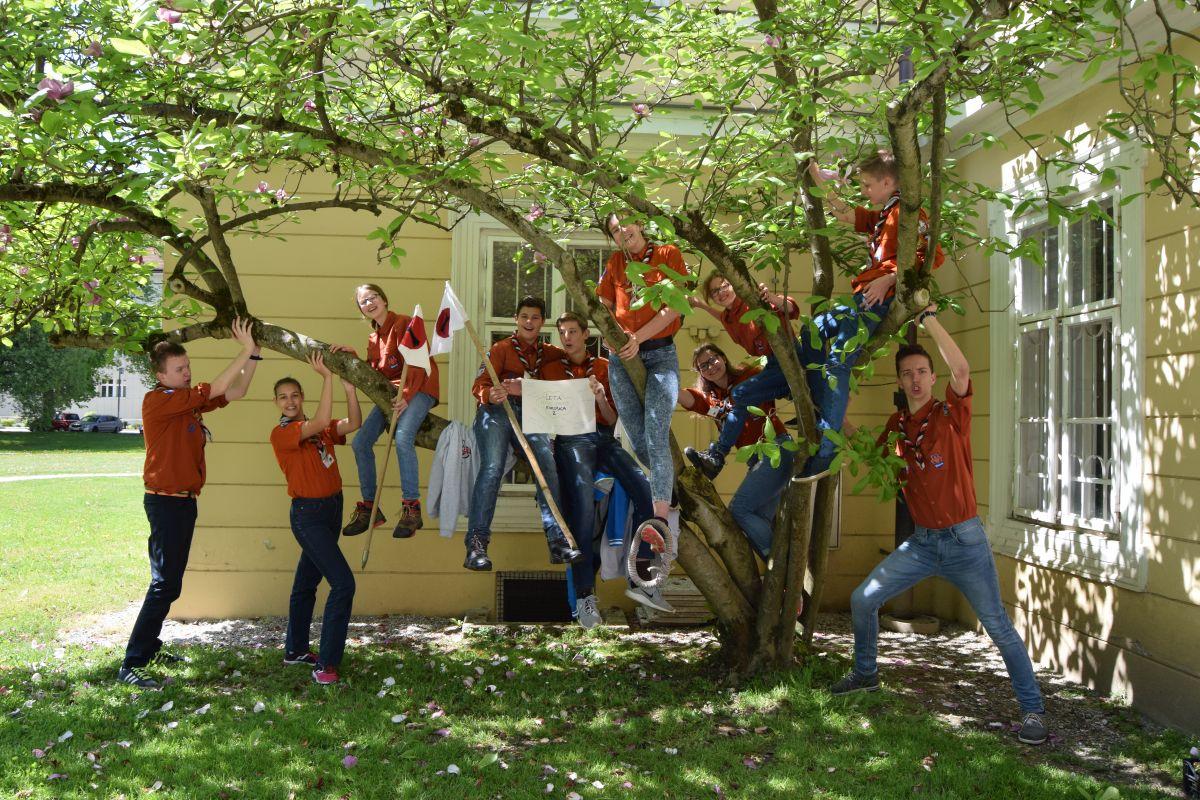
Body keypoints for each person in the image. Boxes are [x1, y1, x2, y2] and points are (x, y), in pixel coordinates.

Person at [831, 307, 1048, 746]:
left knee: (998, 626)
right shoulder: (896, 427)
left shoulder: (952, 415)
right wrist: (842, 415)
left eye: (922, 372)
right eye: (907, 373)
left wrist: (928, 316)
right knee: (862, 600)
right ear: (899, 381)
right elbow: (873, 460)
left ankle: (1033, 711)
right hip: (923, 543)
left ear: (933, 378)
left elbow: (963, 368)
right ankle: (866, 673)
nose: (915, 379)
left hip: (965, 541)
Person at [748, 150, 941, 479]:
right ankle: (818, 405)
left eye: (868, 184)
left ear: (888, 182)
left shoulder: (909, 216)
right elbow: (847, 214)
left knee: (838, 362)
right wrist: (818, 179)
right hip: (861, 296)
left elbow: (933, 258)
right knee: (811, 332)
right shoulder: (884, 215)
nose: (864, 190)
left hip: (875, 298)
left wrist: (889, 278)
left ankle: (825, 451)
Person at [118, 318, 259, 688]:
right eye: (180, 369)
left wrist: (254, 355)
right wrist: (243, 349)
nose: (186, 373)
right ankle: (132, 662)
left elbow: (236, 391)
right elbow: (214, 386)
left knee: (171, 584)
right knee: (164, 584)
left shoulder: (185, 405)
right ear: (161, 375)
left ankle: (149, 647)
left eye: (188, 368)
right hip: (165, 503)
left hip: (183, 503)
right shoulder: (158, 401)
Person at [543, 312, 671, 628]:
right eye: (563, 332)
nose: (568, 337)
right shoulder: (550, 369)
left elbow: (613, 420)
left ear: (586, 334)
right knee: (583, 511)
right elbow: (544, 415)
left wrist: (600, 396)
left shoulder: (604, 367)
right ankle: (586, 598)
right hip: (571, 441)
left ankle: (643, 577)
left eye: (573, 331)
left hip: (602, 439)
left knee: (645, 490)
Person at [462, 296, 582, 571]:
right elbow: (478, 386)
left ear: (542, 322)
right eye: (524, 316)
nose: (529, 322)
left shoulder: (550, 353)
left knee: (547, 465)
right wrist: (490, 394)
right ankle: (476, 544)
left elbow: (571, 368)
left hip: (532, 413)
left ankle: (557, 540)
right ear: (516, 319)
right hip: (497, 411)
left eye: (536, 317)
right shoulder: (501, 349)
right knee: (492, 468)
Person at [598, 211, 689, 551]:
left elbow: (673, 308)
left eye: (626, 225)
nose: (623, 233)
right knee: (637, 440)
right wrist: (611, 332)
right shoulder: (615, 263)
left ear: (640, 223)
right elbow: (604, 304)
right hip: (621, 360)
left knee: (655, 431)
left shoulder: (667, 255)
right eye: (615, 231)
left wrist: (637, 336)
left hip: (660, 355)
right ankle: (671, 490)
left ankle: (660, 521)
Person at [269, 353, 361, 685]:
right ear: (277, 402)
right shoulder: (283, 433)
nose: (290, 401)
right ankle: (327, 664)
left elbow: (352, 424)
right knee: (343, 583)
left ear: (301, 398)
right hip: (307, 515)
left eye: (294, 395)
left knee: (306, 583)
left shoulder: (319, 431)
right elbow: (321, 421)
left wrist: (350, 390)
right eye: (283, 397)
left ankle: (294, 650)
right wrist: (327, 377)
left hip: (332, 509)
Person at [330, 283, 438, 539]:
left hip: (420, 389)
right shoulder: (373, 338)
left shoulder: (405, 323)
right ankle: (370, 507)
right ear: (361, 310)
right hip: (391, 396)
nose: (369, 303)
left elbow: (418, 364)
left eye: (373, 297)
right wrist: (354, 356)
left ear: (384, 299)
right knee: (360, 444)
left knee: (402, 438)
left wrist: (409, 396)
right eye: (363, 302)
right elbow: (375, 373)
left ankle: (411, 508)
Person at [677, 343, 793, 559]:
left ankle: (780, 563)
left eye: (713, 359)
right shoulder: (712, 398)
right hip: (756, 461)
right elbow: (685, 397)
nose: (711, 367)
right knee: (758, 519)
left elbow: (780, 382)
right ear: (701, 373)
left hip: (775, 449)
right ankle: (779, 572)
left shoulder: (749, 376)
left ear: (723, 357)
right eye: (703, 366)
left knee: (739, 510)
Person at [684, 273, 800, 482]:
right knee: (741, 396)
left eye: (724, 286)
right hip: (774, 365)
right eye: (714, 292)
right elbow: (720, 316)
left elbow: (791, 309)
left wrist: (772, 298)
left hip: (789, 360)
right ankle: (717, 456)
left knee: (740, 392)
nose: (721, 293)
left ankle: (717, 456)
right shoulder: (728, 318)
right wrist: (700, 305)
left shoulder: (752, 302)